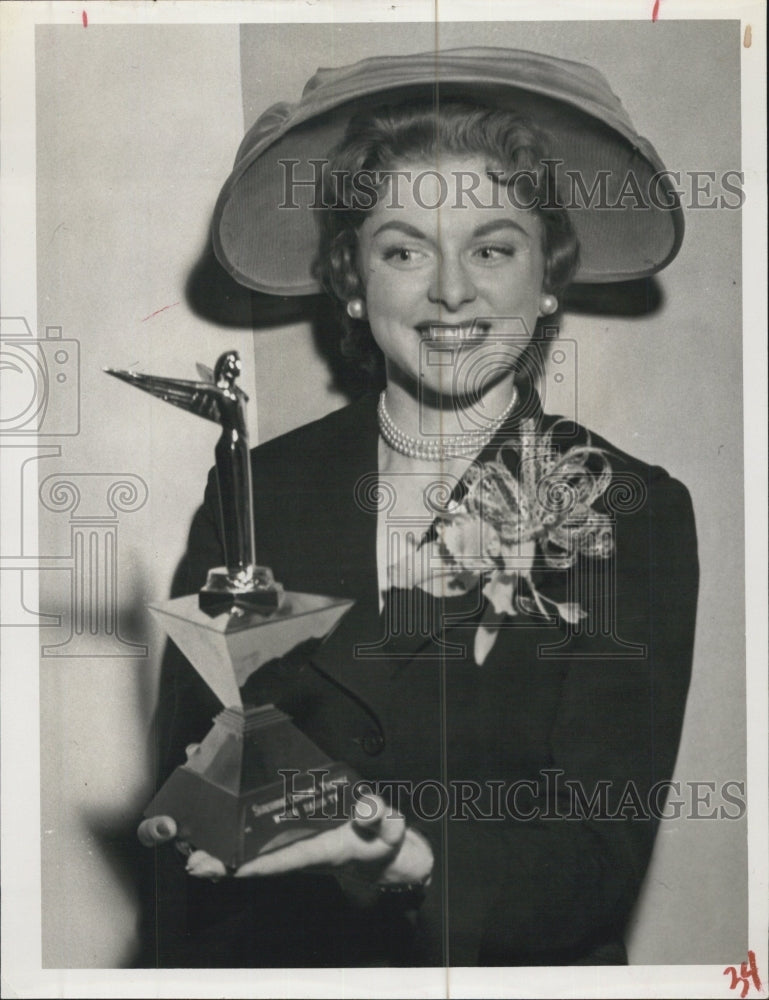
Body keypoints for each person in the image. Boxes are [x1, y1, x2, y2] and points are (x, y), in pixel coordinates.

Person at [137, 47, 698, 967]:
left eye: (492, 247)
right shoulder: (257, 485)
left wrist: (414, 860)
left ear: (547, 275)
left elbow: (602, 848)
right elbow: (189, 783)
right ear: (354, 285)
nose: (449, 288)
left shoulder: (628, 507)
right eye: (403, 249)